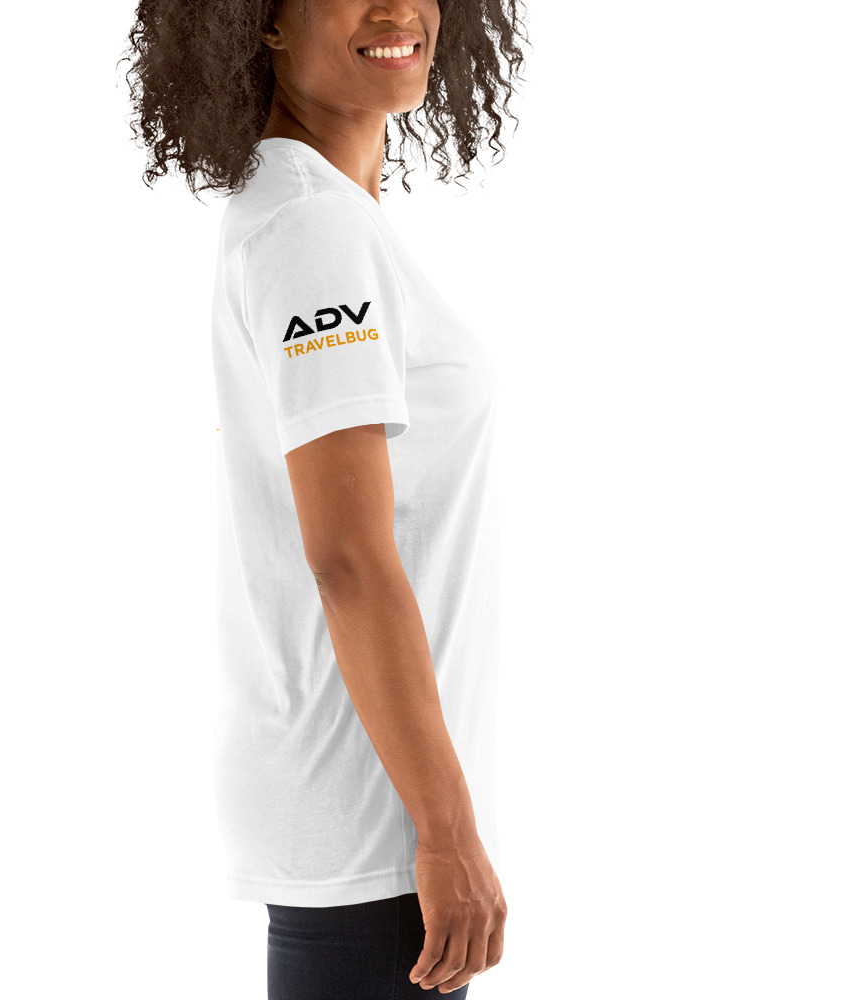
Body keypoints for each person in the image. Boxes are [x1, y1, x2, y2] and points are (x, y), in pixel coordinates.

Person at [121, 1, 529, 996]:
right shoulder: (310, 229)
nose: (398, 9)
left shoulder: (318, 213)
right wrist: (445, 829)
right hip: (371, 818)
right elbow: (346, 557)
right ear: (260, 20)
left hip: (364, 805)